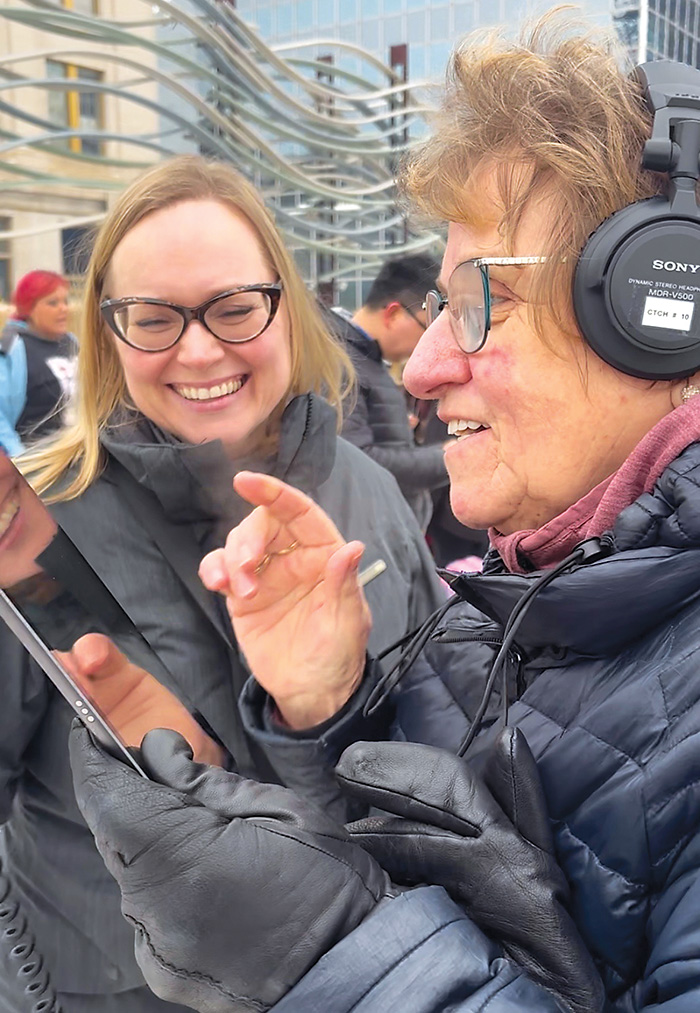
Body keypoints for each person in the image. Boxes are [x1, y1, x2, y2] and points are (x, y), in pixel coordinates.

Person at [67, 16, 700, 1011]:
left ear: (658, 305)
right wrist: (329, 715)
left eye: (479, 302)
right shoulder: (537, 584)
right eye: (151, 317)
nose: (427, 362)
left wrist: (318, 939)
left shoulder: (403, 506)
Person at [0, 154, 444, 1012]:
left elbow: (441, 740)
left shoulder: (370, 490)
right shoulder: (34, 531)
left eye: (236, 309)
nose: (200, 349)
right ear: (108, 332)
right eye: (153, 319)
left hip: (369, 977)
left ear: (288, 308)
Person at [327, 255, 449, 529]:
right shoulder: (342, 362)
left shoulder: (363, 358)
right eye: (426, 328)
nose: (429, 345)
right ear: (393, 314)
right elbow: (358, 459)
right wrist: (446, 456)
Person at [0, 270, 77, 451]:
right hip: (34, 458)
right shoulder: (11, 347)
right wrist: (20, 459)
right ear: (29, 307)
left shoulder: (71, 341)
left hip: (76, 453)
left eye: (65, 301)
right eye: (53, 303)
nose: (63, 308)